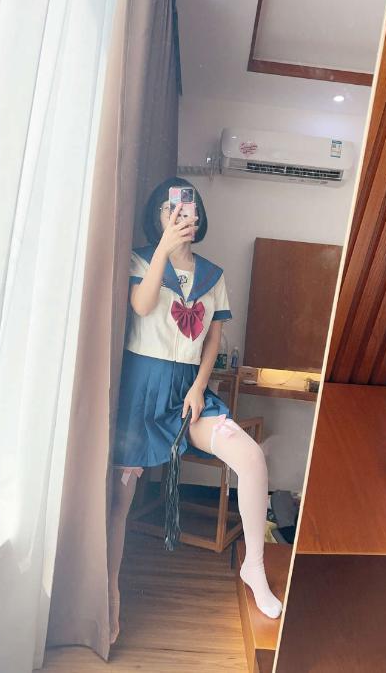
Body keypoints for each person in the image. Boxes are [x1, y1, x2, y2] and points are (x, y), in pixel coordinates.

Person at [107, 177, 282, 644]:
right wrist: (163, 250)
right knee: (119, 503)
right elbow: (141, 306)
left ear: (198, 215)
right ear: (158, 216)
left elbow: (213, 341)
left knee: (251, 457)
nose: (181, 213)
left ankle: (254, 566)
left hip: (189, 392)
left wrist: (200, 388)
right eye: (171, 208)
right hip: (141, 392)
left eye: (187, 206)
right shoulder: (140, 260)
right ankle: (108, 593)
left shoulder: (212, 276)